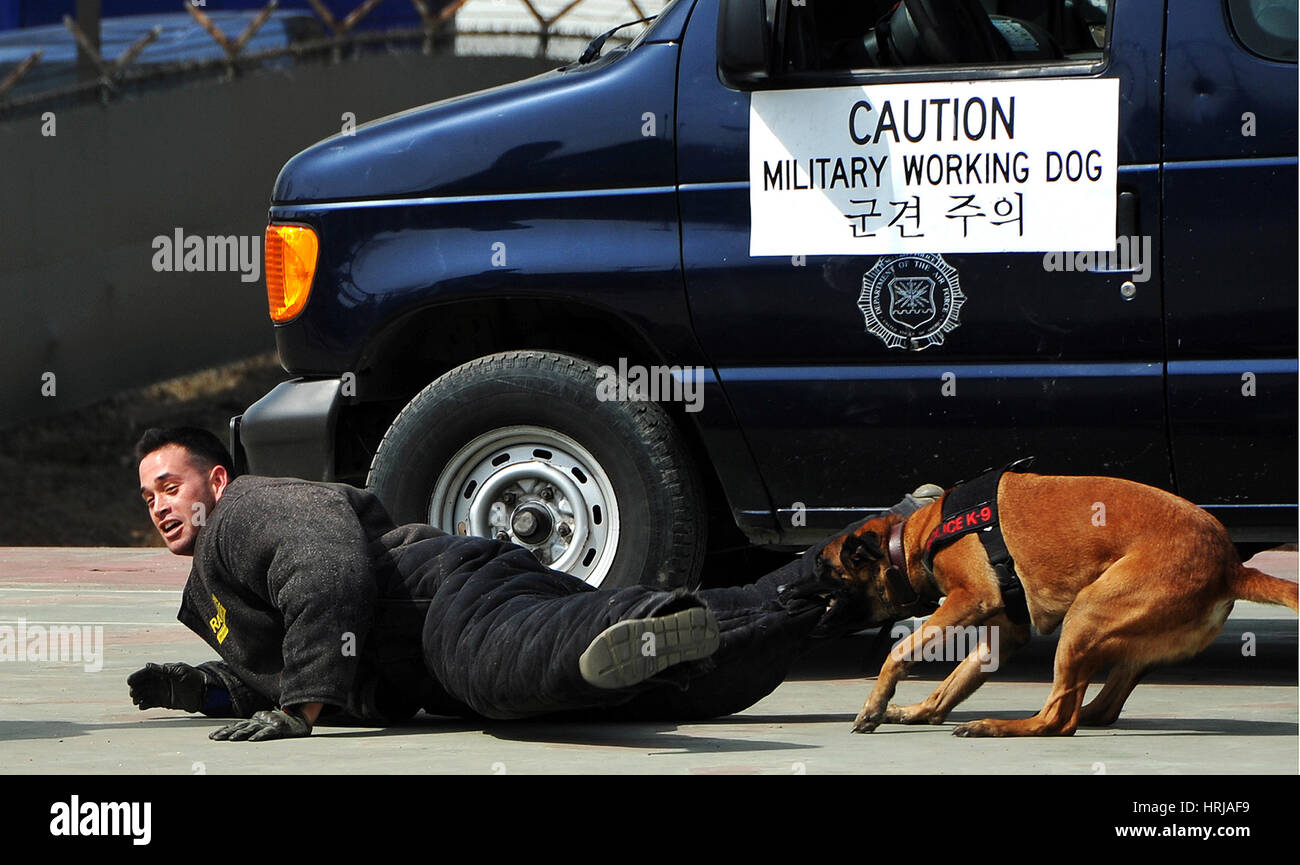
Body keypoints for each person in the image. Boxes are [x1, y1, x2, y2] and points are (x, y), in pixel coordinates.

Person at [128, 426, 939, 741]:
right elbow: (262, 668)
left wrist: (300, 709)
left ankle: (631, 631)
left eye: (170, 485)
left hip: (439, 603)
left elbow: (329, 572)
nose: (160, 505)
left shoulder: (249, 510)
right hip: (447, 627)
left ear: (217, 481)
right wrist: (195, 688)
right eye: (147, 498)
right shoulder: (215, 584)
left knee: (508, 668)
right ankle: (886, 553)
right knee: (676, 680)